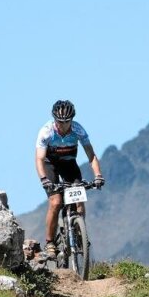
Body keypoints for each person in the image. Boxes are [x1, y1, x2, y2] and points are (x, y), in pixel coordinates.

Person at [35, 100, 104, 257]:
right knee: (56, 202)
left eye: (67, 121)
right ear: (54, 119)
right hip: (50, 164)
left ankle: (79, 233)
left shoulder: (78, 130)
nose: (63, 125)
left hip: (69, 164)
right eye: (59, 121)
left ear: (72, 120)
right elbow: (39, 158)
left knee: (79, 199)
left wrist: (98, 175)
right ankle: (50, 242)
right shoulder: (46, 131)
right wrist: (44, 179)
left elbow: (91, 155)